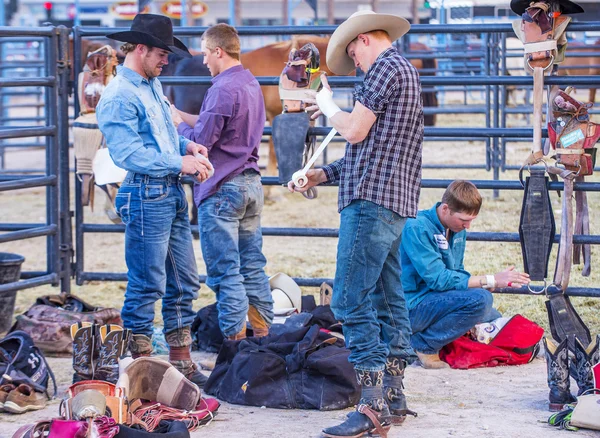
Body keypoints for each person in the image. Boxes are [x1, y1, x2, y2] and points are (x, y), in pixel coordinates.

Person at [288, 10, 423, 438]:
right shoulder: (403, 71)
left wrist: (325, 102)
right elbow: (370, 153)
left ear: (365, 40)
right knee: (388, 297)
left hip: (369, 202)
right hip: (392, 200)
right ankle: (394, 395)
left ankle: (371, 404)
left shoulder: (383, 68)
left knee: (348, 299)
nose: (355, 63)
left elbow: (354, 132)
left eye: (353, 53)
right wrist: (319, 175)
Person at [96, 14, 212, 387]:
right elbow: (128, 154)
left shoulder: (149, 86)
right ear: (141, 49)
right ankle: (141, 369)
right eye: (162, 53)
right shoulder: (119, 95)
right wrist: (181, 161)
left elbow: (161, 138)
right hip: (148, 191)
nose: (167, 60)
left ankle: (179, 361)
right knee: (148, 282)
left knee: (183, 280)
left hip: (165, 190)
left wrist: (186, 145)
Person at [171, 24, 274, 341]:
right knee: (252, 265)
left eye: (204, 53)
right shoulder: (249, 83)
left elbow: (202, 141)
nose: (203, 61)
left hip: (221, 187)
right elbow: (216, 124)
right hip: (250, 184)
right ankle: (263, 337)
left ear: (218, 51)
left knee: (225, 270)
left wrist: (177, 129)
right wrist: (179, 114)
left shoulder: (220, 90)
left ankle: (234, 344)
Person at [401, 180, 531, 369]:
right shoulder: (416, 227)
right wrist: (489, 280)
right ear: (445, 209)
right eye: (464, 220)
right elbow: (438, 279)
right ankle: (425, 345)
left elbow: (456, 271)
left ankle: (418, 338)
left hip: (430, 301)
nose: (468, 226)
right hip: (409, 305)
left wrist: (486, 284)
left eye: (471, 220)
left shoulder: (456, 229)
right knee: (481, 302)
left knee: (491, 313)